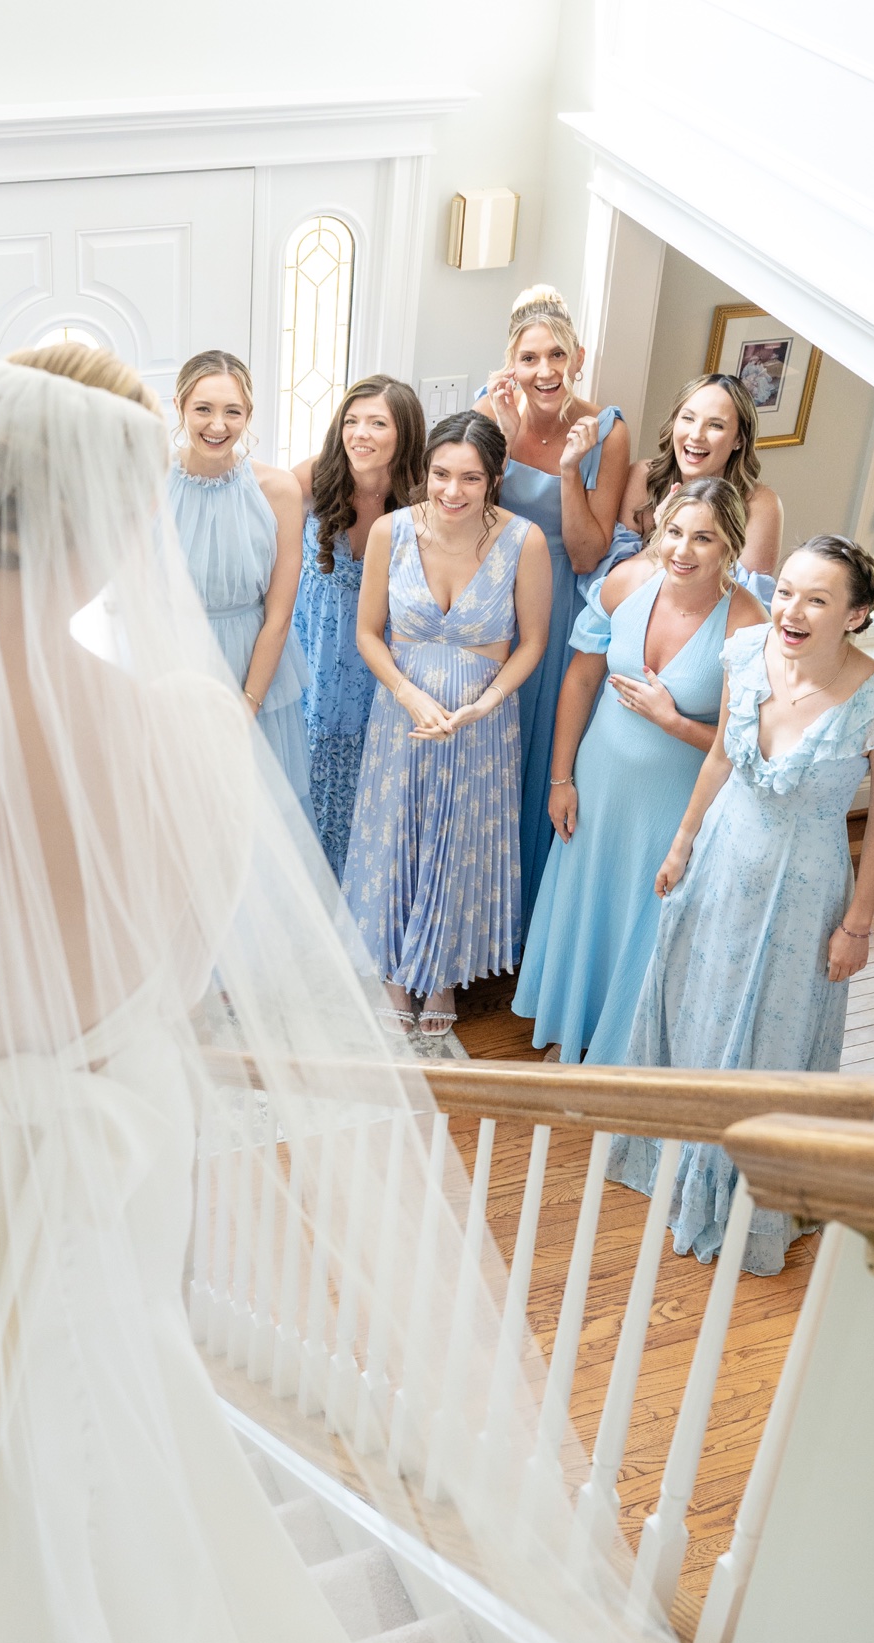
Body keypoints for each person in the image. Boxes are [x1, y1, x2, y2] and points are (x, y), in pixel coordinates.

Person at [0, 345, 810, 1643]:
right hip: (111, 1181)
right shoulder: (186, 736)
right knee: (101, 1468)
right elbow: (167, 993)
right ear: (116, 534)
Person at [610, 536, 874, 1276]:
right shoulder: (744, 652)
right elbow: (720, 754)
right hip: (720, 860)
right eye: (786, 592)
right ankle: (674, 1166)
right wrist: (682, 843)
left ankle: (749, 1199)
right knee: (693, 1007)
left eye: (818, 599)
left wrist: (859, 924)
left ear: (856, 615)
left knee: (768, 1037)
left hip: (802, 892)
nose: (793, 610)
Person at [513, 480, 766, 1063]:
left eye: (703, 538)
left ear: (729, 543)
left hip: (677, 800)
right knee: (588, 900)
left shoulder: (746, 624)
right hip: (599, 780)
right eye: (675, 532)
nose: (683, 550)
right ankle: (570, 1028)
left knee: (647, 918)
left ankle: (621, 1051)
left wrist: (672, 722)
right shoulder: (626, 582)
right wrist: (561, 779)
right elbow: (579, 680)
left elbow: (741, 748)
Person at [341, 411, 552, 1038]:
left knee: (458, 841)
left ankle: (440, 975)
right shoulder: (390, 531)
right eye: (440, 474)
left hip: (481, 725)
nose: (452, 492)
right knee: (396, 830)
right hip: (401, 719)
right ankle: (391, 972)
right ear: (425, 470)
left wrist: (484, 706)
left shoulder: (525, 542)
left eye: (469, 478)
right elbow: (367, 633)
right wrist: (407, 694)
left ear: (495, 478)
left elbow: (533, 643)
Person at [474, 286, 629, 929]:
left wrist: (571, 471)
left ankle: (527, 920)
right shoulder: (488, 413)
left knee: (545, 756)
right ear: (510, 363)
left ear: (579, 357)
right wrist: (503, 443)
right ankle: (474, 906)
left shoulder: (608, 431)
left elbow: (591, 552)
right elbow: (471, 522)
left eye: (557, 355)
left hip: (565, 600)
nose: (545, 371)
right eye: (530, 357)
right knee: (489, 748)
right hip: (497, 595)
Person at [167, 348, 317, 831]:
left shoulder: (277, 489)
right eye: (204, 409)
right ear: (180, 408)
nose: (218, 424)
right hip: (173, 666)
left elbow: (279, 614)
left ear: (249, 415)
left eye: (233, 411)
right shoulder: (148, 483)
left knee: (253, 822)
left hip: (253, 669)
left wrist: (246, 705)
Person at [290, 375, 425, 876]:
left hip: (383, 669)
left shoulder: (422, 498)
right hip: (314, 658)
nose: (359, 434)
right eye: (350, 421)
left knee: (375, 785)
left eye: (377, 422)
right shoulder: (315, 477)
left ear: (403, 434)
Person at [618, 375, 783, 601]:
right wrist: (663, 534)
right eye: (688, 418)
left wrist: (670, 534)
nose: (696, 435)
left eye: (715, 425)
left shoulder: (759, 504)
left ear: (739, 440)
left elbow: (746, 602)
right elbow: (613, 582)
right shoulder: (644, 477)